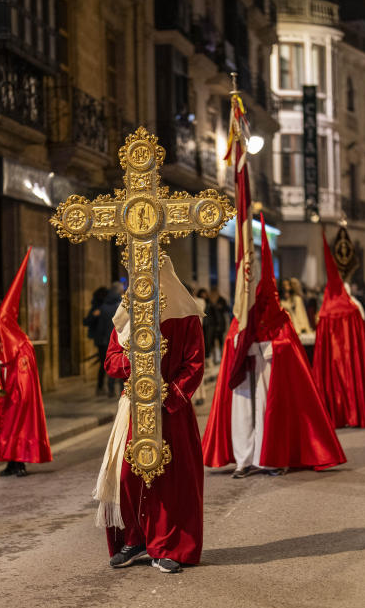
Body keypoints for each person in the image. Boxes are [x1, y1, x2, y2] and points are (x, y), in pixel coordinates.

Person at [202, 216, 346, 478]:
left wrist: (269, 348)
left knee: (269, 413)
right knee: (243, 414)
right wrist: (240, 344)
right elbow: (231, 338)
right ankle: (244, 459)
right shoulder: (240, 315)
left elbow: (287, 346)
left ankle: (271, 458)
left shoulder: (278, 316)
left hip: (269, 372)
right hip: (245, 372)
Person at [99, 257, 204, 574]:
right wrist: (132, 362)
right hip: (132, 408)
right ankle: (135, 538)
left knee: (169, 479)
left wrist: (168, 394)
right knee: (126, 477)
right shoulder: (127, 315)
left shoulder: (184, 316)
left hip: (169, 410)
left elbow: (194, 365)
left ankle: (169, 545)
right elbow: (111, 361)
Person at [0, 249, 52, 476]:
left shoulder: (21, 342)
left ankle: (20, 462)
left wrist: (9, 375)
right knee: (5, 428)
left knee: (18, 427)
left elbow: (23, 369)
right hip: (4, 392)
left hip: (17, 393)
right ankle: (10, 461)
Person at [314, 233, 365, 428]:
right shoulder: (353, 309)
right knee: (354, 379)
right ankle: (358, 412)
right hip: (351, 358)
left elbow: (321, 350)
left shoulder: (325, 313)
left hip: (334, 362)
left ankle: (334, 413)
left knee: (334, 382)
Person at [83, 286, 110, 396]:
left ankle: (103, 386)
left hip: (105, 339)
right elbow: (86, 321)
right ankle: (100, 386)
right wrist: (95, 315)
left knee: (105, 363)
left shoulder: (106, 306)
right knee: (104, 364)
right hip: (101, 340)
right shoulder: (97, 307)